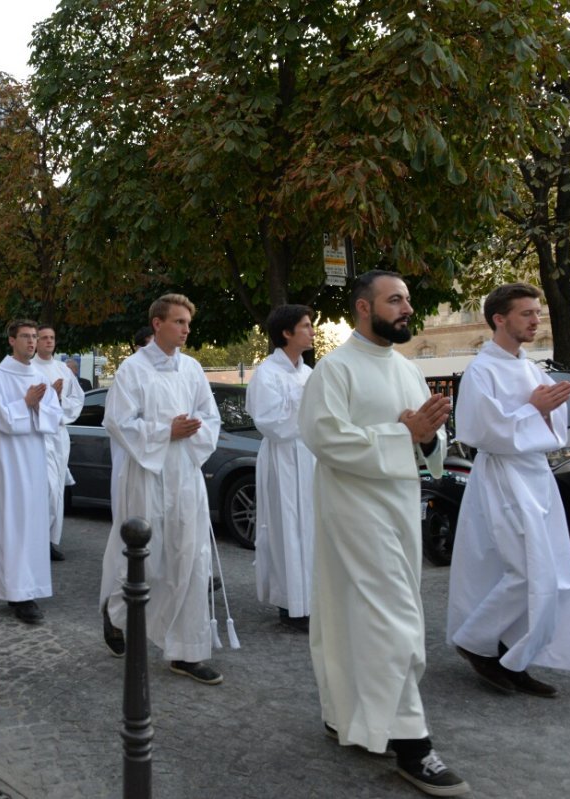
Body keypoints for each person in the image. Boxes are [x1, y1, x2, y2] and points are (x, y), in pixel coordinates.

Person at [298, 270, 468, 797]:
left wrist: (427, 436)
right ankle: (413, 744)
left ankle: (343, 712)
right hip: (352, 511)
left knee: (358, 613)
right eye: (395, 300)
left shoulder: (406, 368)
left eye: (409, 301)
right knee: (391, 620)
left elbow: (427, 449)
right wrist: (402, 434)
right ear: (363, 309)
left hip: (397, 509)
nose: (407, 309)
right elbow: (324, 438)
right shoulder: (335, 369)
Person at [447, 283, 570, 698]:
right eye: (526, 313)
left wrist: (546, 412)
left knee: (551, 569)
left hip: (536, 476)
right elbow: (478, 432)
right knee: (526, 570)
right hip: (502, 477)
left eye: (537, 312)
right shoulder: (481, 370)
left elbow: (555, 432)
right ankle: (475, 641)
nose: (535, 320)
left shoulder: (532, 369)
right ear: (499, 319)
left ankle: (515, 655)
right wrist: (534, 409)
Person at [99, 294, 230, 686]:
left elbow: (211, 416)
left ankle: (187, 651)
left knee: (190, 559)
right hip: (147, 474)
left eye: (188, 323)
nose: (186, 329)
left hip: (185, 473)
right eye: (179, 322)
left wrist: (191, 433)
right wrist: (164, 433)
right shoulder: (132, 370)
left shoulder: (191, 369)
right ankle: (116, 611)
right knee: (147, 558)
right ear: (157, 324)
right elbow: (117, 422)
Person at [0, 320, 62, 624]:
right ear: (11, 340)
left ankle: (29, 586)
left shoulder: (39, 376)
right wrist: (26, 403)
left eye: (35, 337)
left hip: (33, 459)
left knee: (33, 524)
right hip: (6, 463)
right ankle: (16, 591)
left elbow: (53, 416)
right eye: (25, 337)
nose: (32, 342)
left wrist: (38, 406)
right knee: (10, 522)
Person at [246, 304, 316, 632]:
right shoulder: (267, 373)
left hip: (310, 458)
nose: (312, 331)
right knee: (286, 528)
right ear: (286, 333)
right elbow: (269, 421)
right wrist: (307, 411)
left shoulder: (308, 373)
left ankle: (312, 600)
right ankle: (291, 604)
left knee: (310, 529)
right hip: (283, 458)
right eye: (306, 326)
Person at [33, 326, 85, 561]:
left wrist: (59, 404)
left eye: (52, 338)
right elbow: (27, 402)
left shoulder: (63, 369)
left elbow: (77, 398)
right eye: (44, 338)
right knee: (45, 487)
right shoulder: (30, 369)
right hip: (39, 435)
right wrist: (50, 396)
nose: (48, 342)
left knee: (57, 491)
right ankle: (37, 538)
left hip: (59, 434)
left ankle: (52, 539)